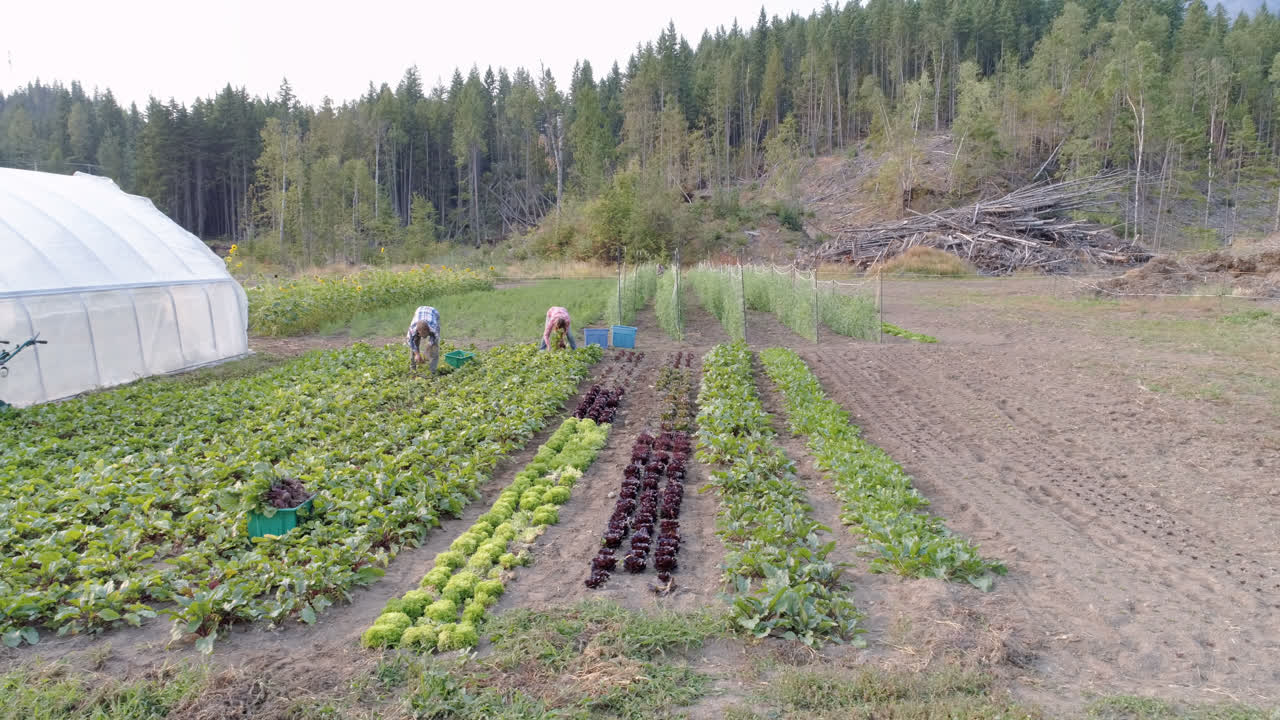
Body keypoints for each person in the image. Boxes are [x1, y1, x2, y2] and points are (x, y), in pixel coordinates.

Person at [406, 306, 441, 373]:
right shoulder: (412, 330)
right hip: (419, 310)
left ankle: (432, 371)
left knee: (434, 348)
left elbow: (435, 338)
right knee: (415, 342)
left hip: (433, 312)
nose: (423, 337)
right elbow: (410, 342)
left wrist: (428, 349)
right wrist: (417, 354)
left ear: (428, 330)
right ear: (418, 331)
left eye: (425, 334)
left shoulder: (434, 328)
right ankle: (413, 369)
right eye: (421, 334)